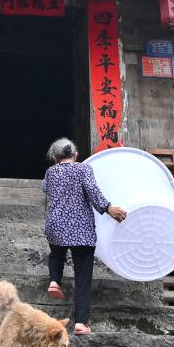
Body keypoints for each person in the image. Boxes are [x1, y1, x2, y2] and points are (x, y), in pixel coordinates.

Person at [41, 138, 126, 336]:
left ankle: (55, 281)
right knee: (83, 276)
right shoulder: (83, 169)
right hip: (81, 228)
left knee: (57, 253)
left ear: (55, 157)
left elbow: (45, 188)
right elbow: (92, 190)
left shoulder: (51, 172)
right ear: (76, 155)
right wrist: (108, 208)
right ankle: (80, 323)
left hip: (56, 224)